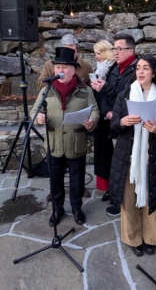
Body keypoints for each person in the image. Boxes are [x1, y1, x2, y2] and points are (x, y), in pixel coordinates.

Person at [108, 55, 156, 256]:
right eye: (138, 68)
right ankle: (133, 238)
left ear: (154, 72)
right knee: (128, 200)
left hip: (151, 156)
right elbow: (113, 127)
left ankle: (151, 237)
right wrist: (122, 123)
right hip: (128, 157)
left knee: (150, 197)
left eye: (146, 68)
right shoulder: (124, 94)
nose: (141, 72)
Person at [30, 47, 100, 226]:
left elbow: (95, 111)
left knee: (77, 180)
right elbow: (34, 111)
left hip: (75, 142)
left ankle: (77, 208)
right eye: (58, 67)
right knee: (55, 180)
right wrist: (38, 118)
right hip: (54, 143)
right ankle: (57, 208)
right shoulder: (47, 90)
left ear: (73, 70)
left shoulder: (85, 90)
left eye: (65, 67)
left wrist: (91, 122)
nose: (60, 70)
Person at [91, 33, 138, 216]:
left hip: (129, 125)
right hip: (113, 121)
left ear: (130, 50)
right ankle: (116, 196)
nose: (116, 52)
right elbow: (104, 96)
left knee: (127, 165)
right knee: (116, 162)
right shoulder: (114, 69)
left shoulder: (137, 68)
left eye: (119, 49)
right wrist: (107, 112)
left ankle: (126, 201)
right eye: (114, 49)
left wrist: (114, 111)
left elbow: (126, 94)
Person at [92, 40, 115, 197]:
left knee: (113, 153)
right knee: (102, 152)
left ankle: (114, 187)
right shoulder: (98, 69)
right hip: (100, 116)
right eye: (96, 53)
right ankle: (106, 186)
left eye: (99, 53)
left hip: (112, 115)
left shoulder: (114, 68)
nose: (97, 56)